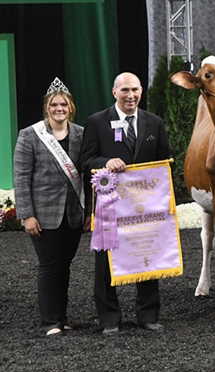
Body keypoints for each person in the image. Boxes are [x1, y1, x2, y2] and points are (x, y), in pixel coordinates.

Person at [80, 72, 170, 334]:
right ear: (114, 92)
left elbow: (163, 163)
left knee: (147, 257)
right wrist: (105, 163)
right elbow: (85, 161)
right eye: (125, 91)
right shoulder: (96, 122)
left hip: (145, 206)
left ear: (141, 91)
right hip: (111, 208)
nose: (130, 95)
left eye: (135, 90)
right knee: (106, 262)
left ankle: (148, 315)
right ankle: (109, 319)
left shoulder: (154, 123)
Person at [13, 78, 89, 336]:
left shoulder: (81, 133)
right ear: (47, 108)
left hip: (73, 213)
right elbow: (21, 177)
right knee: (49, 265)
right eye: (54, 105)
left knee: (64, 265)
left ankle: (61, 317)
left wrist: (88, 212)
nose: (59, 108)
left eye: (64, 104)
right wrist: (27, 215)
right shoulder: (30, 135)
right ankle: (49, 321)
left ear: (71, 108)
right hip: (43, 215)